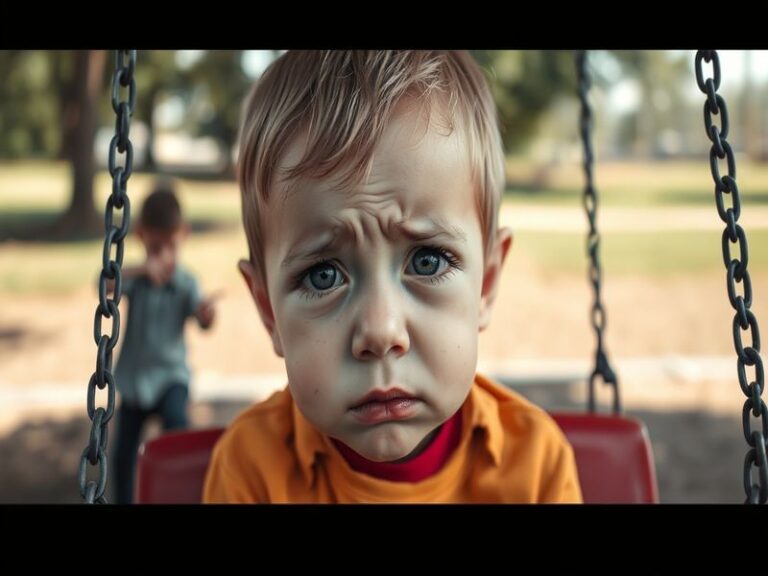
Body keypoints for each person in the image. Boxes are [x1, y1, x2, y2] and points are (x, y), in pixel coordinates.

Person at [203, 50, 582, 503]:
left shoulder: (535, 467)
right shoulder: (251, 471)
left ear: (486, 282)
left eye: (427, 261)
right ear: (268, 310)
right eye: (324, 276)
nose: (381, 332)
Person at [110, 182, 219, 504]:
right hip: (135, 380)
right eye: (155, 248)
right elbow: (104, 285)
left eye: (170, 245)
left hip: (171, 377)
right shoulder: (137, 279)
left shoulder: (186, 282)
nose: (163, 256)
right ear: (142, 237)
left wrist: (206, 313)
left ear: (182, 235)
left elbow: (204, 322)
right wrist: (143, 269)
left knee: (177, 431)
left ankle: (179, 494)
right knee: (122, 454)